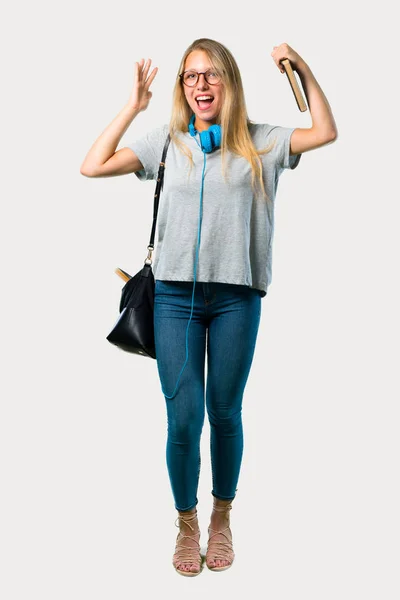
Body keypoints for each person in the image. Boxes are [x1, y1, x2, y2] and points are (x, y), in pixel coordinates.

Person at [80, 38, 338, 576]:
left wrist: (304, 70)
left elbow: (325, 131)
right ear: (183, 87)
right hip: (173, 298)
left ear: (230, 84)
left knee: (224, 411)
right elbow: (92, 164)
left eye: (212, 74)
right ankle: (186, 522)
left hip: (237, 299)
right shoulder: (166, 143)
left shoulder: (261, 143)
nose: (201, 84)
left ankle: (221, 516)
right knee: (183, 418)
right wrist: (133, 106)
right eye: (191, 76)